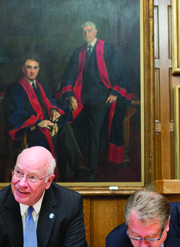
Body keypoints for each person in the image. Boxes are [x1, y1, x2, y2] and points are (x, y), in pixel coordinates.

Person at [57, 21, 133, 182]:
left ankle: (91, 170)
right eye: (84, 32)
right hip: (81, 98)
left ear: (95, 31)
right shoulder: (78, 52)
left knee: (93, 131)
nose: (86, 34)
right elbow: (68, 75)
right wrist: (70, 96)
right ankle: (75, 165)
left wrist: (114, 92)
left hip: (101, 97)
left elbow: (119, 71)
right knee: (70, 125)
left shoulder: (108, 49)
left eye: (89, 31)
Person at [4, 57, 87, 181]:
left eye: (35, 68)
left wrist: (53, 110)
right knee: (57, 136)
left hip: (45, 122)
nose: (32, 71)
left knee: (65, 127)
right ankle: (68, 170)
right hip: (30, 130)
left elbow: (51, 100)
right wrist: (37, 123)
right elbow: (14, 114)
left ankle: (75, 166)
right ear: (23, 70)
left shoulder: (41, 85)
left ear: (38, 70)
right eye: (29, 67)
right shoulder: (15, 89)